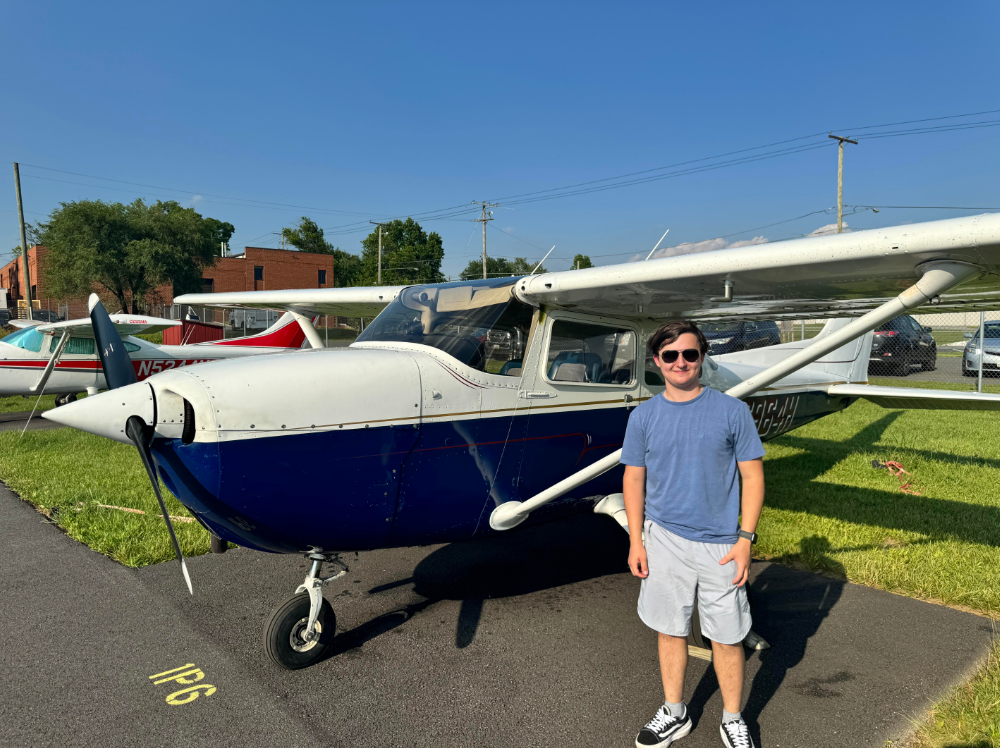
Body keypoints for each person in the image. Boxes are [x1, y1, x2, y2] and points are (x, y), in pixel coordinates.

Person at [621, 320, 765, 748]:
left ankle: (733, 718)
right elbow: (633, 480)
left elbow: (753, 478)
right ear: (657, 362)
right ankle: (675, 711)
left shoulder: (731, 411)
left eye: (689, 354)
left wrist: (745, 539)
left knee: (727, 635)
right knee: (670, 629)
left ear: (702, 357)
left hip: (722, 544)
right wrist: (635, 540)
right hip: (664, 539)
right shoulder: (643, 416)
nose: (680, 362)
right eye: (670, 355)